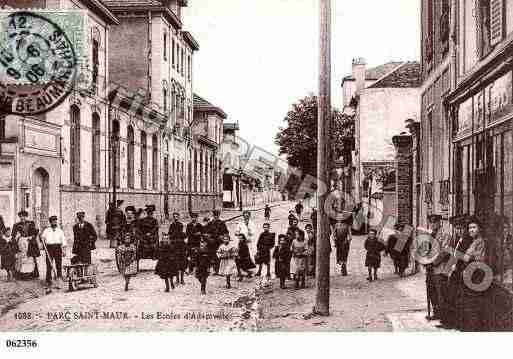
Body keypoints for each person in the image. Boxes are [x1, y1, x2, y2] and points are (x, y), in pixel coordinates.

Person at [424, 214, 444, 321]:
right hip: (430, 268)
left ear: (439, 223)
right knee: (431, 291)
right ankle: (435, 312)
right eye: (431, 222)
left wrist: (433, 262)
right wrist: (425, 261)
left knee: (440, 291)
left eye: (435, 222)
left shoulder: (444, 234)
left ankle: (442, 315)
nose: (432, 224)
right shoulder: (430, 235)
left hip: (440, 268)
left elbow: (444, 251)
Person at [12, 210, 40, 279]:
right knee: (21, 257)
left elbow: (35, 233)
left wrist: (32, 236)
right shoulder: (16, 225)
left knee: (30, 257)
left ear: (26, 216)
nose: (22, 218)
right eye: (21, 216)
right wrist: (17, 237)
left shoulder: (31, 223)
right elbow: (13, 235)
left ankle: (32, 273)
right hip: (21, 242)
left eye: (24, 216)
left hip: (29, 242)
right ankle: (20, 274)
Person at [207, 210, 229, 275]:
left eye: (217, 216)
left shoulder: (222, 223)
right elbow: (206, 232)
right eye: (214, 216)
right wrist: (209, 237)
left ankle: (220, 270)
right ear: (213, 216)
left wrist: (223, 236)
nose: (216, 217)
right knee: (213, 256)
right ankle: (215, 270)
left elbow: (226, 232)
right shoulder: (210, 223)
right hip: (212, 242)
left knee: (220, 256)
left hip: (219, 242)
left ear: (219, 216)